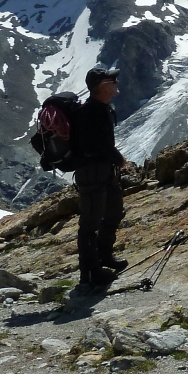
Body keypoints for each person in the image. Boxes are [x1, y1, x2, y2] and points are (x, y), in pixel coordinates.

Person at [74, 67, 128, 288]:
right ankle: (89, 272)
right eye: (112, 81)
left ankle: (104, 257)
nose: (116, 84)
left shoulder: (100, 108)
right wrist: (118, 158)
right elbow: (100, 144)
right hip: (92, 172)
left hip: (103, 171)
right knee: (90, 222)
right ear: (104, 87)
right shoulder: (91, 112)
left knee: (114, 211)